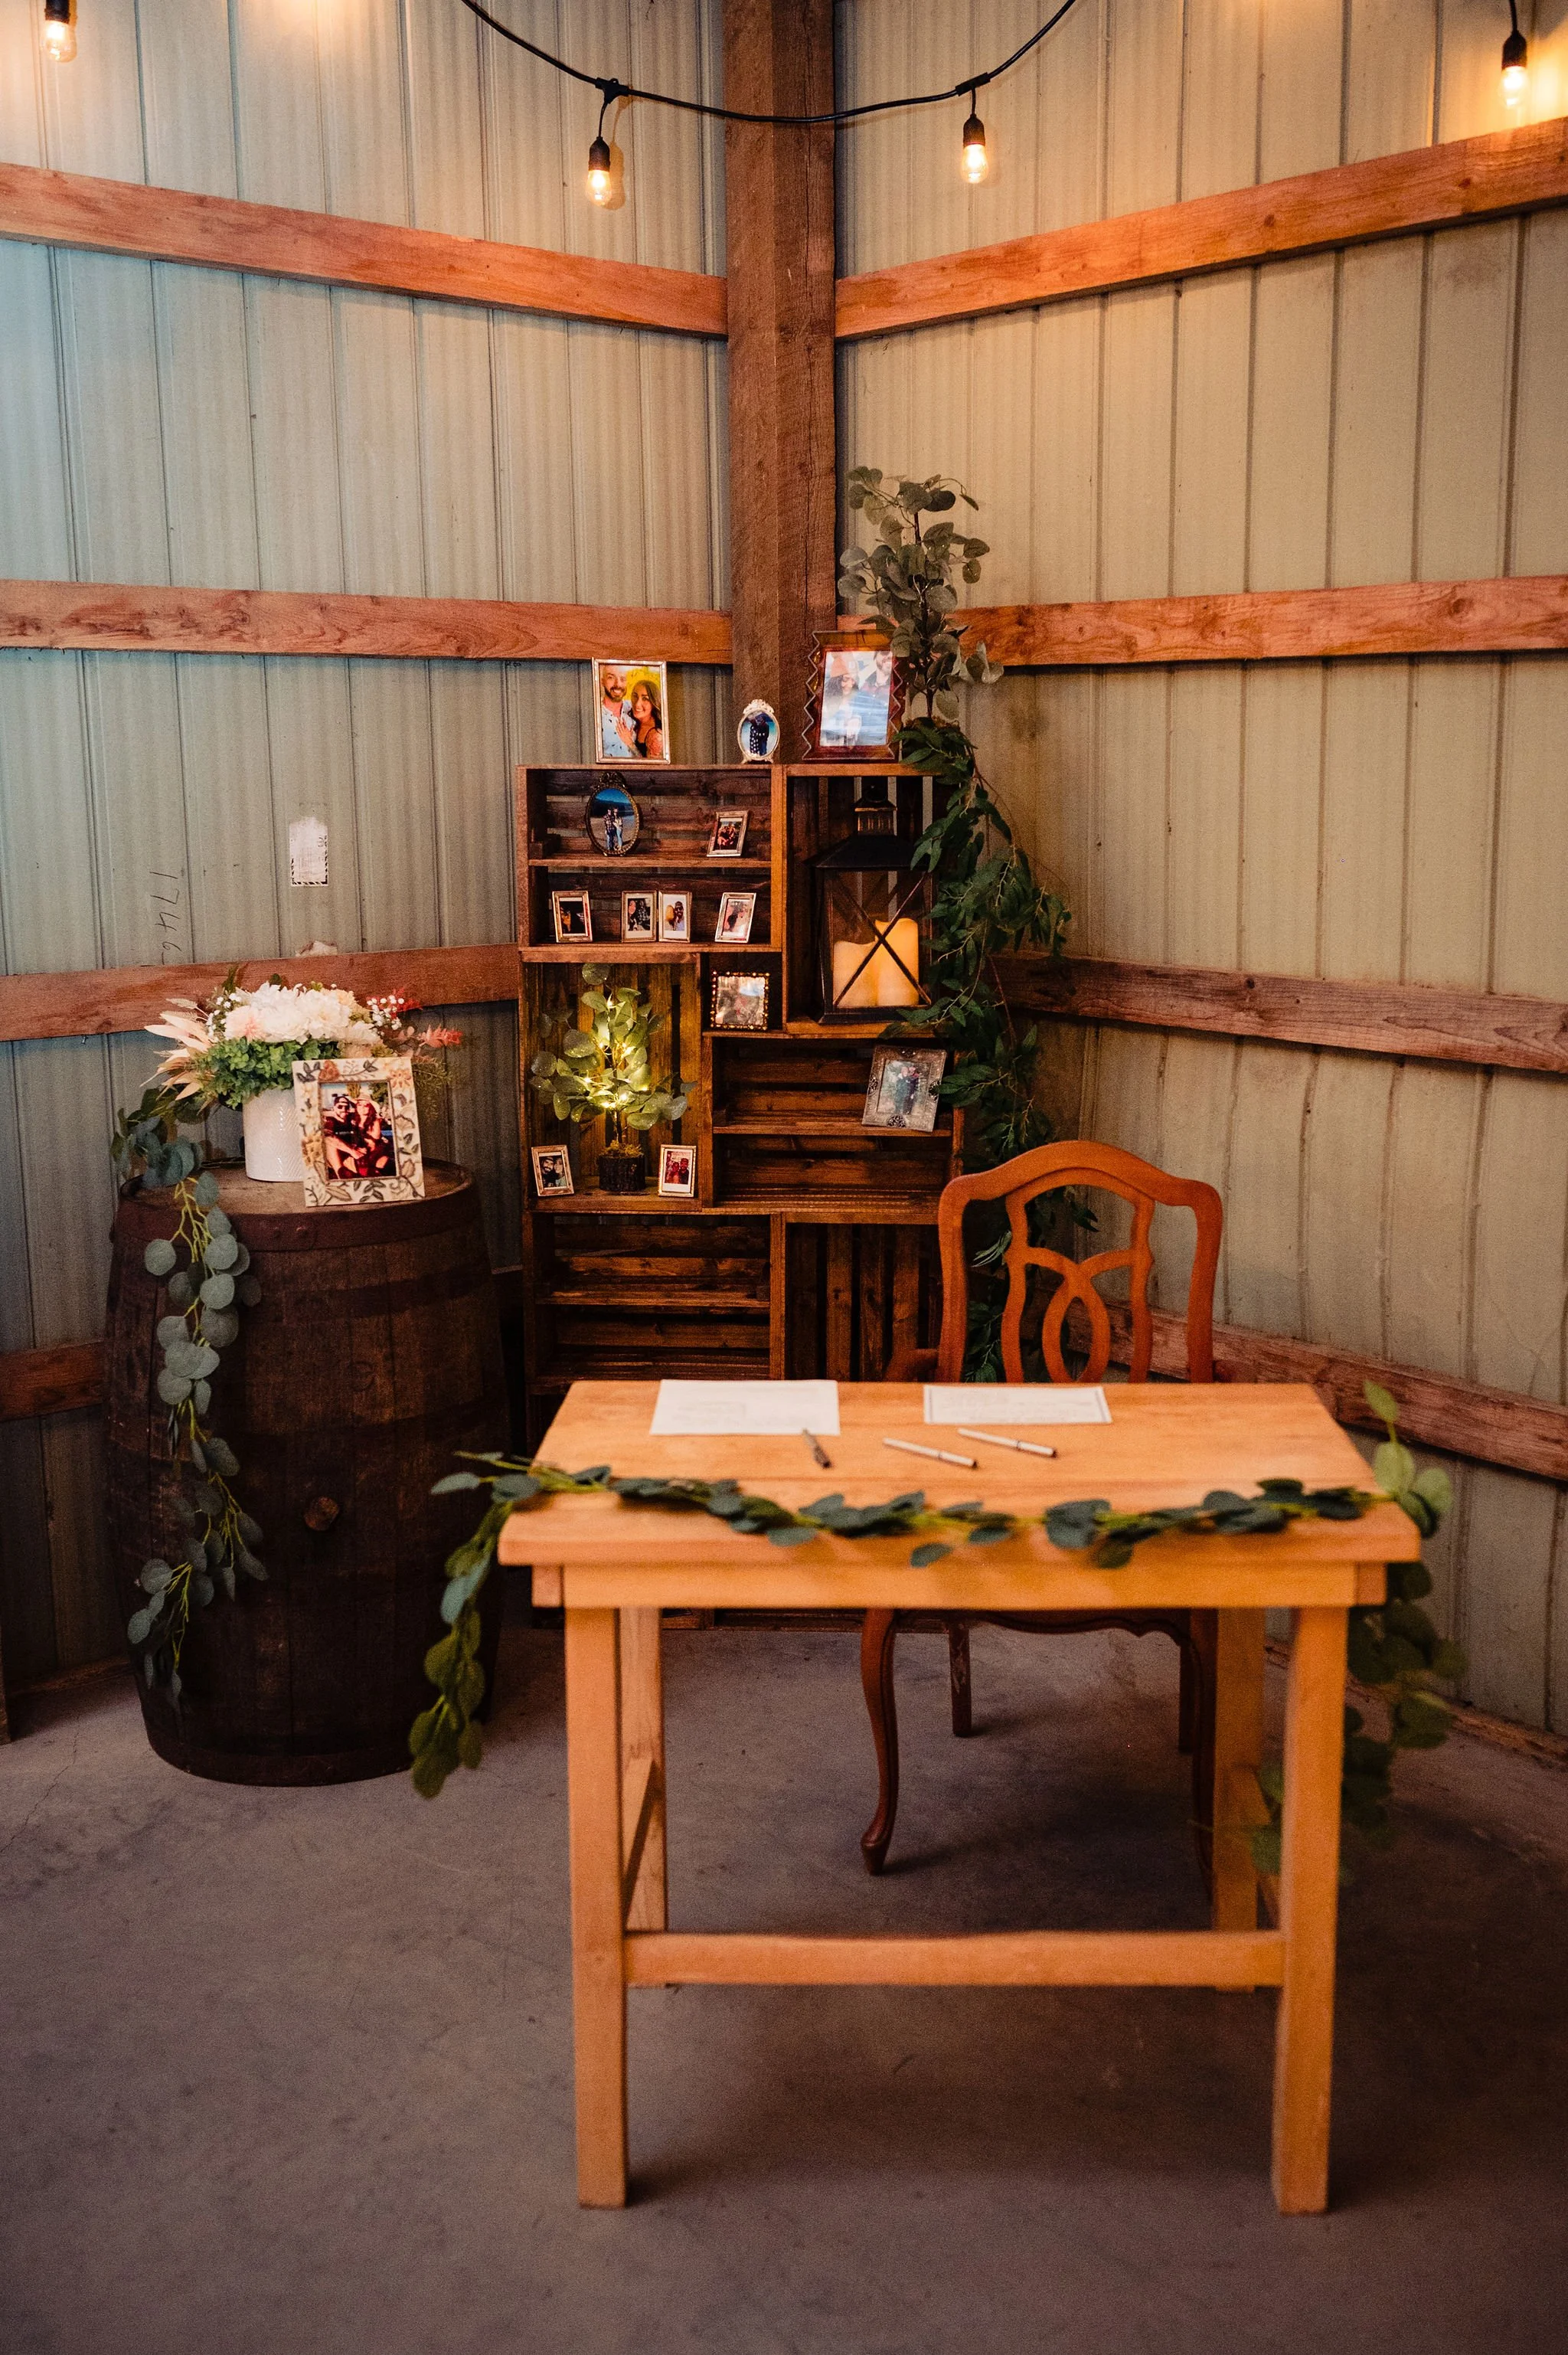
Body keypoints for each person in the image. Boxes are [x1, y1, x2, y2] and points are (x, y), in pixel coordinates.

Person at [599, 667, 635, 759]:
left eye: (622, 679)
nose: (618, 684)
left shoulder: (636, 709)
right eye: (611, 678)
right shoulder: (595, 712)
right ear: (602, 682)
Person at [629, 679, 664, 759]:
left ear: (654, 702)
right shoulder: (634, 719)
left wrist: (630, 743)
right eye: (635, 696)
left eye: (645, 699)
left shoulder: (656, 735)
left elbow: (651, 765)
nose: (637, 704)